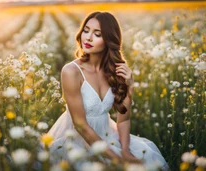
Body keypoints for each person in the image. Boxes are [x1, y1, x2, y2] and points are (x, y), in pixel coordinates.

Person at [46, 11, 169, 170]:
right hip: (77, 140)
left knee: (145, 158)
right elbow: (80, 125)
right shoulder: (71, 71)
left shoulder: (114, 70)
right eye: (86, 30)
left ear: (109, 40)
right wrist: (117, 159)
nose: (88, 37)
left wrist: (124, 151)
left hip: (108, 134)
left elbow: (123, 119)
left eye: (97, 34)